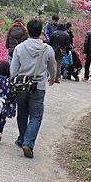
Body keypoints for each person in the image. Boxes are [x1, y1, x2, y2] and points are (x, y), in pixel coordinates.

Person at [10, 19, 57, 159]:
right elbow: (52, 67)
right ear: (41, 31)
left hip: (22, 86)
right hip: (39, 86)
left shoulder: (19, 48)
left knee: (22, 113)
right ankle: (28, 143)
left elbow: (13, 71)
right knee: (36, 116)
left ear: (28, 31)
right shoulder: (47, 49)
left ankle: (22, 139)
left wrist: (13, 83)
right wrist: (52, 78)